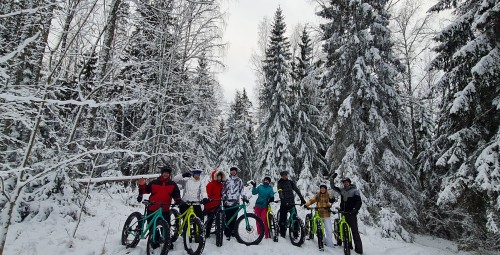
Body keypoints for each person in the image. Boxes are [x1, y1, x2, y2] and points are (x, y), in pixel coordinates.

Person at [137, 165, 182, 249]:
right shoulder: (154, 182)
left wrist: (178, 200)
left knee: (166, 227)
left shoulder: (172, 184)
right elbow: (146, 190)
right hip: (152, 208)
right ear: (162, 173)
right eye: (164, 173)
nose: (166, 174)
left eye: (167, 173)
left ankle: (167, 241)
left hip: (164, 209)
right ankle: (155, 240)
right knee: (152, 226)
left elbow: (176, 194)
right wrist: (142, 185)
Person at [329, 174, 363, 255]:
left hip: (351, 214)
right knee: (345, 231)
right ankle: (349, 246)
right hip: (343, 213)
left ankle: (359, 250)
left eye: (347, 182)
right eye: (344, 182)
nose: (345, 183)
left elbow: (359, 201)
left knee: (355, 232)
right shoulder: (342, 190)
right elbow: (333, 187)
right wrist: (332, 179)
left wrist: (355, 209)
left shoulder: (355, 191)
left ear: (349, 183)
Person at [221, 166, 249, 240]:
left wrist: (244, 196)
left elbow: (241, 190)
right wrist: (223, 196)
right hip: (227, 202)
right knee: (228, 217)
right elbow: (223, 190)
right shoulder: (226, 180)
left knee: (234, 218)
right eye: (232, 170)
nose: (233, 172)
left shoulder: (239, 180)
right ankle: (227, 233)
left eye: (234, 170)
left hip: (235, 202)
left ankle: (233, 231)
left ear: (236, 172)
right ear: (230, 171)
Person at [277, 171, 306, 237]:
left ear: (287, 175)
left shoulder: (290, 182)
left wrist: (302, 198)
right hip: (284, 203)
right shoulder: (280, 183)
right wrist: (283, 200)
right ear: (281, 176)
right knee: (283, 218)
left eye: (285, 175)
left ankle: (295, 233)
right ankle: (282, 232)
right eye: (283, 175)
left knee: (295, 217)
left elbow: (296, 190)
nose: (284, 176)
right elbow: (280, 192)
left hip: (291, 203)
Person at [204, 169, 226, 238]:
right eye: (218, 177)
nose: (219, 178)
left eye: (220, 177)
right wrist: (210, 199)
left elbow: (221, 193)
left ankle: (218, 230)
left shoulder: (221, 185)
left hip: (218, 204)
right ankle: (207, 233)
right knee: (210, 220)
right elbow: (208, 194)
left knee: (219, 219)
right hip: (210, 205)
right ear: (215, 177)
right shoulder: (210, 184)